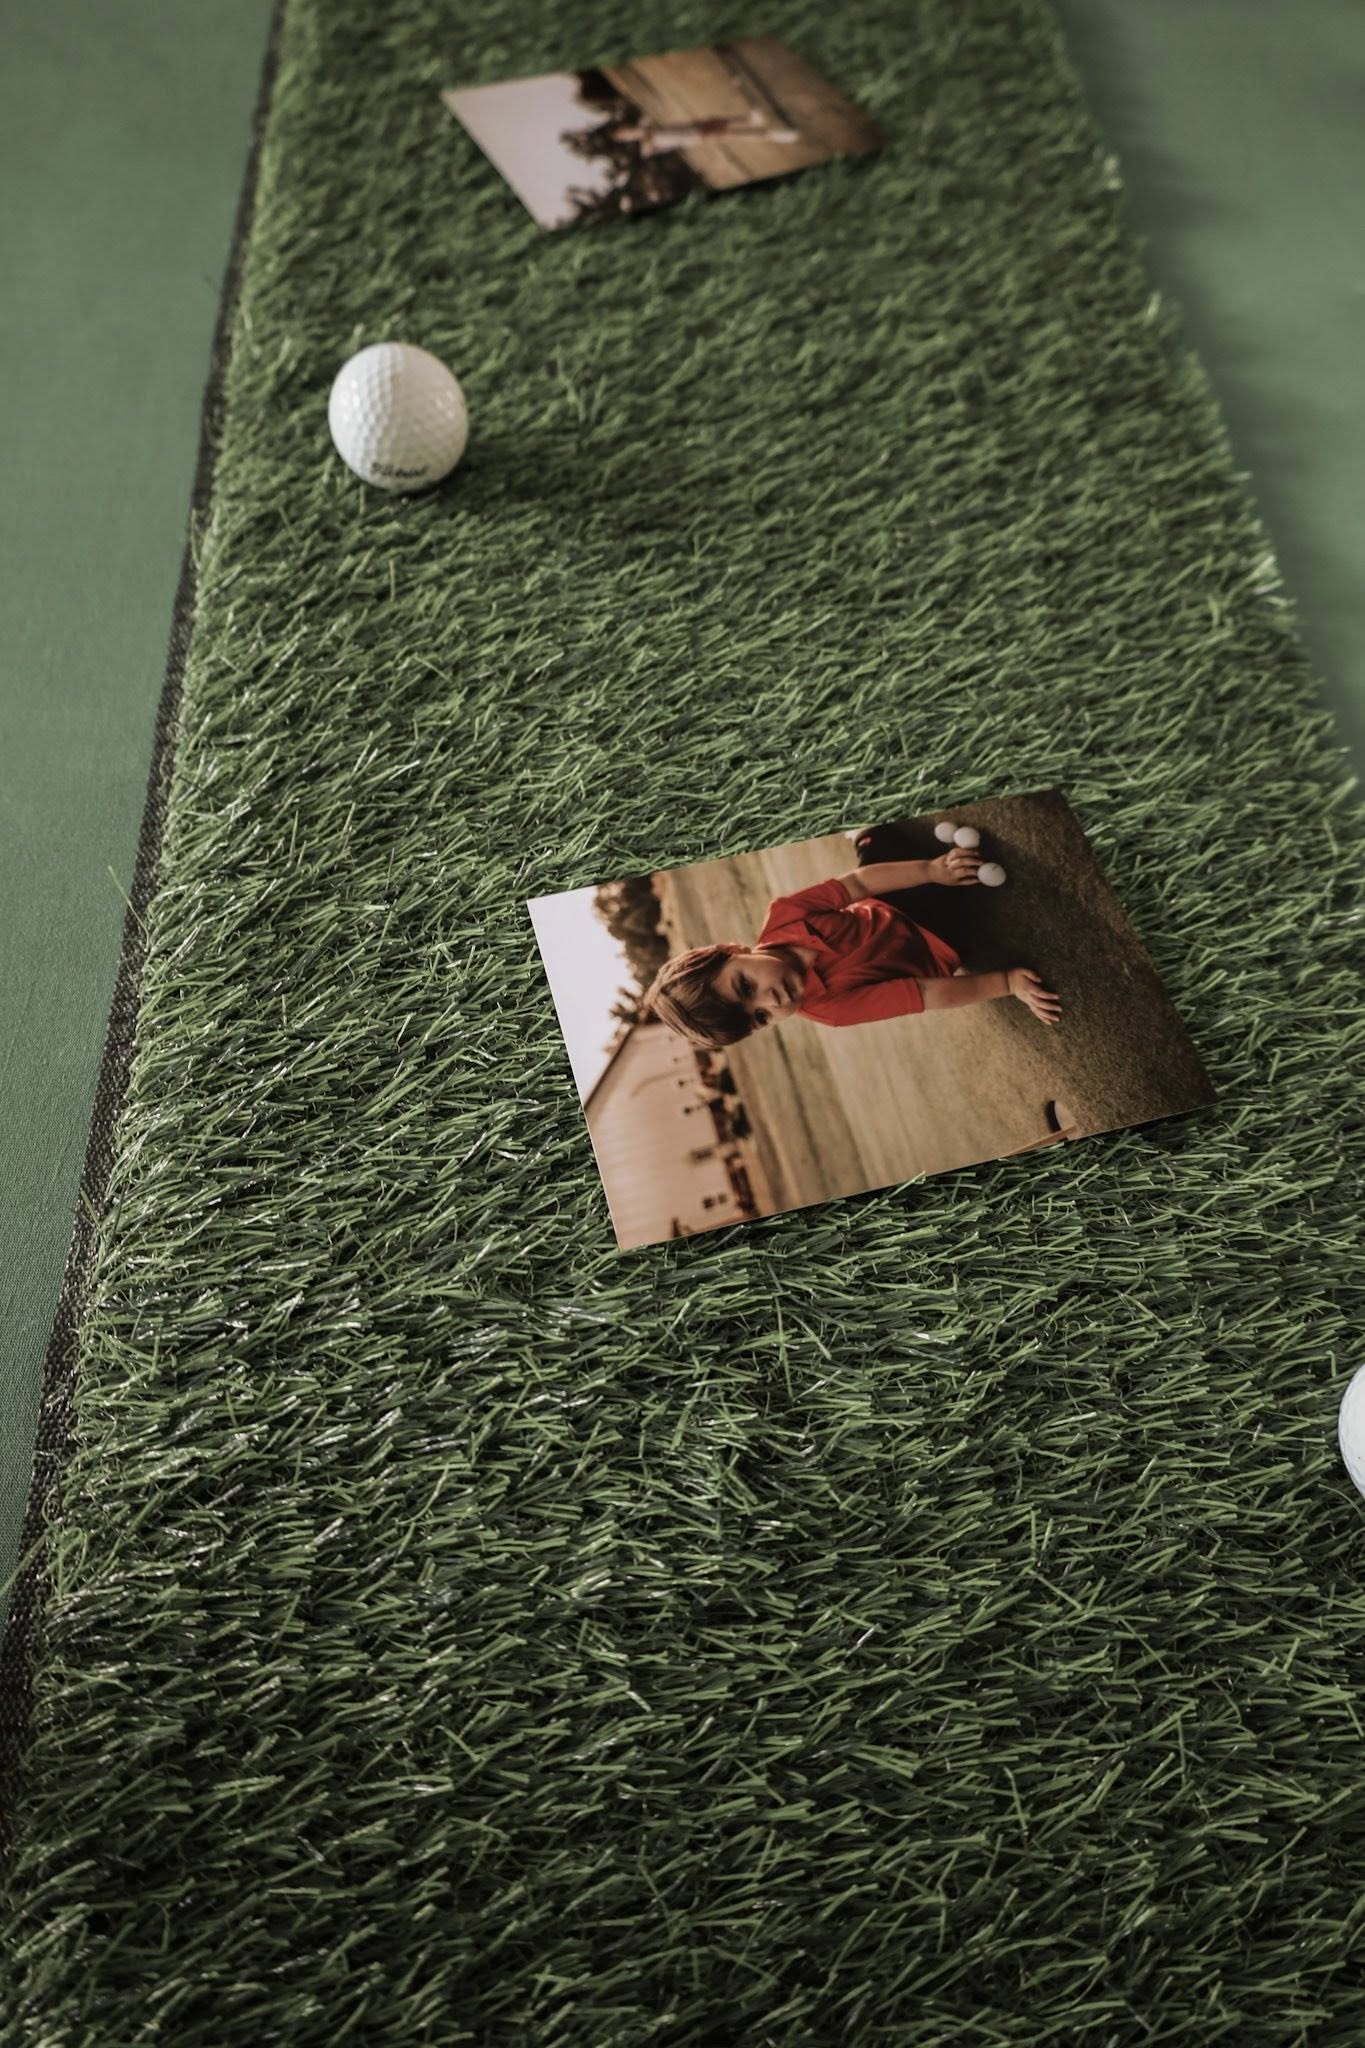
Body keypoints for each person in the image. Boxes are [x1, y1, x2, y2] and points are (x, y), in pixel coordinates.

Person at [644, 841, 1062, 1048]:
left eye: (747, 987)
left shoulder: (786, 915)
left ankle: (865, 834)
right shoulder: (832, 1010)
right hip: (938, 943)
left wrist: (932, 869)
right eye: (759, 1019)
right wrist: (1006, 982)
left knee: (882, 851)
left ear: (733, 951)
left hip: (888, 907)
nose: (772, 1002)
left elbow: (858, 885)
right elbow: (928, 993)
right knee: (960, 909)